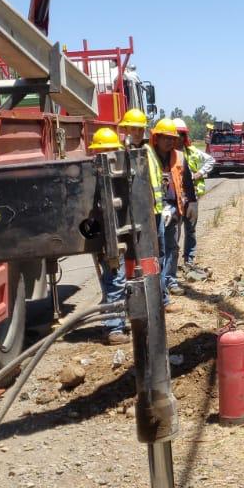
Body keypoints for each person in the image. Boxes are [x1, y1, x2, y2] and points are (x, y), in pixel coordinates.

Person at [119, 110, 168, 307]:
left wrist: (163, 207)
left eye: (140, 129)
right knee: (141, 257)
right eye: (134, 129)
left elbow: (155, 179)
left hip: (155, 212)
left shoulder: (148, 149)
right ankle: (143, 300)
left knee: (159, 255)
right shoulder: (122, 152)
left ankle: (161, 298)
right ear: (126, 129)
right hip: (138, 214)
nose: (138, 133)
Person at [88, 127, 129, 344]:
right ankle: (114, 328)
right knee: (116, 281)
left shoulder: (96, 175)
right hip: (108, 241)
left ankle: (112, 322)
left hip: (108, 239)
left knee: (111, 281)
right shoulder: (98, 178)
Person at [149, 118, 195, 297]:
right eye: (165, 138)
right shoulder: (149, 156)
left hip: (174, 207)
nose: (169, 141)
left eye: (172, 138)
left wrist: (192, 202)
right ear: (157, 138)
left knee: (172, 246)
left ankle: (170, 280)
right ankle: (158, 286)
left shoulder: (179, 157)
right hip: (154, 210)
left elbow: (187, 181)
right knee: (158, 250)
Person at [172, 119, 213, 269]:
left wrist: (199, 173)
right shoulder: (167, 154)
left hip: (191, 197)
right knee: (174, 232)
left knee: (190, 230)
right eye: (176, 134)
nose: (178, 138)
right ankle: (172, 261)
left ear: (184, 136)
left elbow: (210, 160)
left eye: (181, 134)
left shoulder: (191, 151)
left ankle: (188, 260)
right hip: (175, 199)